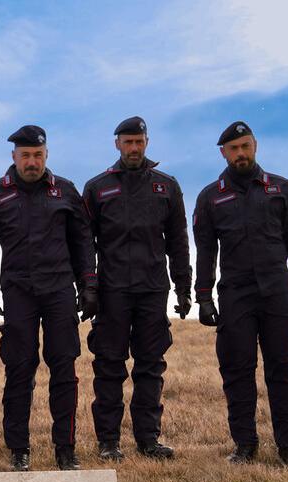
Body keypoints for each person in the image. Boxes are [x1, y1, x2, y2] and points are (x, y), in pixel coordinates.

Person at [192, 121, 288, 469]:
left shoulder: (281, 189)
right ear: (223, 153)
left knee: (282, 370)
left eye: (245, 146)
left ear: (256, 146)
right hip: (236, 296)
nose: (241, 154)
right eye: (233, 149)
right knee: (237, 371)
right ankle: (245, 445)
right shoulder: (210, 197)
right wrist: (203, 296)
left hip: (278, 292)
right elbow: (205, 251)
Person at [0, 125, 97, 471]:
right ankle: (18, 450)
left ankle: (66, 449)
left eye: (37, 155)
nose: (32, 161)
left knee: (64, 369)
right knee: (19, 370)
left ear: (47, 155)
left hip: (59, 292)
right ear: (14, 157)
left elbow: (83, 241)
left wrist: (89, 285)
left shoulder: (66, 192)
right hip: (18, 293)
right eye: (25, 155)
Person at [83, 116, 191, 462]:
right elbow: (85, 242)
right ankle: (109, 441)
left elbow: (178, 241)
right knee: (109, 365)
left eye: (139, 142)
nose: (133, 148)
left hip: (152, 289)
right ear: (116, 144)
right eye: (127, 142)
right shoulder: (98, 187)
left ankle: (148, 439)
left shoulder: (166, 186)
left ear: (147, 142)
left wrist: (184, 287)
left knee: (150, 365)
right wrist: (88, 285)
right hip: (112, 291)